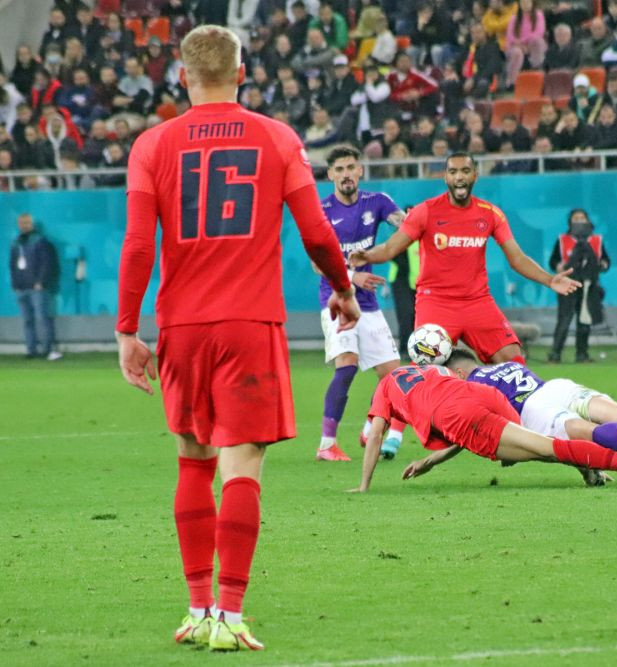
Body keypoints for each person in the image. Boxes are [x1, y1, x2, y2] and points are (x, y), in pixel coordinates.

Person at [114, 25, 360, 651]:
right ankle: (230, 613)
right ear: (243, 73)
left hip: (183, 327)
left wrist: (125, 330)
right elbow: (314, 229)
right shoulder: (277, 138)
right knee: (242, 465)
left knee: (193, 462)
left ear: (183, 78)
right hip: (250, 324)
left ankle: (197, 608)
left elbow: (140, 243)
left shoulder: (151, 145)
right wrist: (342, 286)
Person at [349, 152, 580, 365]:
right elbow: (390, 248)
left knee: (514, 363)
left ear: (475, 176)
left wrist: (550, 280)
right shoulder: (426, 211)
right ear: (446, 178)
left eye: (465, 171)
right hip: (435, 303)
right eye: (453, 172)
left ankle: (503, 410)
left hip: (478, 302)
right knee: (428, 370)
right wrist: (367, 255)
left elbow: (517, 258)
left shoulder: (490, 213)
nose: (459, 177)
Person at [351, 364, 617, 492]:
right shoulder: (424, 370)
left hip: (456, 415)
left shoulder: (383, 388)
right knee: (542, 447)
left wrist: (365, 485)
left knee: (546, 449)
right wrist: (430, 461)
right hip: (476, 394)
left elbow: (376, 434)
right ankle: (593, 471)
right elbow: (474, 397)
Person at [442, 349, 617, 470]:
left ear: (458, 372)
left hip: (533, 409)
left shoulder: (471, 385)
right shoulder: (507, 365)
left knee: (588, 432)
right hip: (554, 386)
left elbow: (480, 424)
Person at [315, 145, 409, 462]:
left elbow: (405, 225)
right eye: (338, 169)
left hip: (367, 303)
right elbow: (318, 263)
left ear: (360, 171)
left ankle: (372, 428)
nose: (345, 175)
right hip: (336, 300)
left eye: (350, 167)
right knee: (347, 367)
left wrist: (421, 223)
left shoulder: (377, 202)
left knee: (395, 377)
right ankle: (327, 444)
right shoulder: (322, 210)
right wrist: (353, 277)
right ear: (330, 175)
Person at [547, 209, 609, 364]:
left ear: (588, 221)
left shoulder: (596, 241)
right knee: (564, 320)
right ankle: (555, 354)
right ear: (570, 222)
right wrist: (558, 266)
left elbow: (606, 261)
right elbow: (553, 261)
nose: (580, 222)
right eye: (576, 219)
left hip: (589, 285)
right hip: (567, 286)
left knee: (584, 321)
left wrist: (603, 264)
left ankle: (582, 354)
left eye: (582, 218)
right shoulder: (562, 240)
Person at [9, 213, 61, 360]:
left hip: (37, 287)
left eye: (26, 223)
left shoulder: (40, 241)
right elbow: (12, 265)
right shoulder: (16, 242)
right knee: (27, 320)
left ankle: (48, 349)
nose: (24, 226)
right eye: (21, 223)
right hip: (21, 287)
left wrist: (41, 282)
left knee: (42, 318)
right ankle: (31, 349)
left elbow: (47, 263)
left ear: (31, 224)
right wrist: (15, 284)